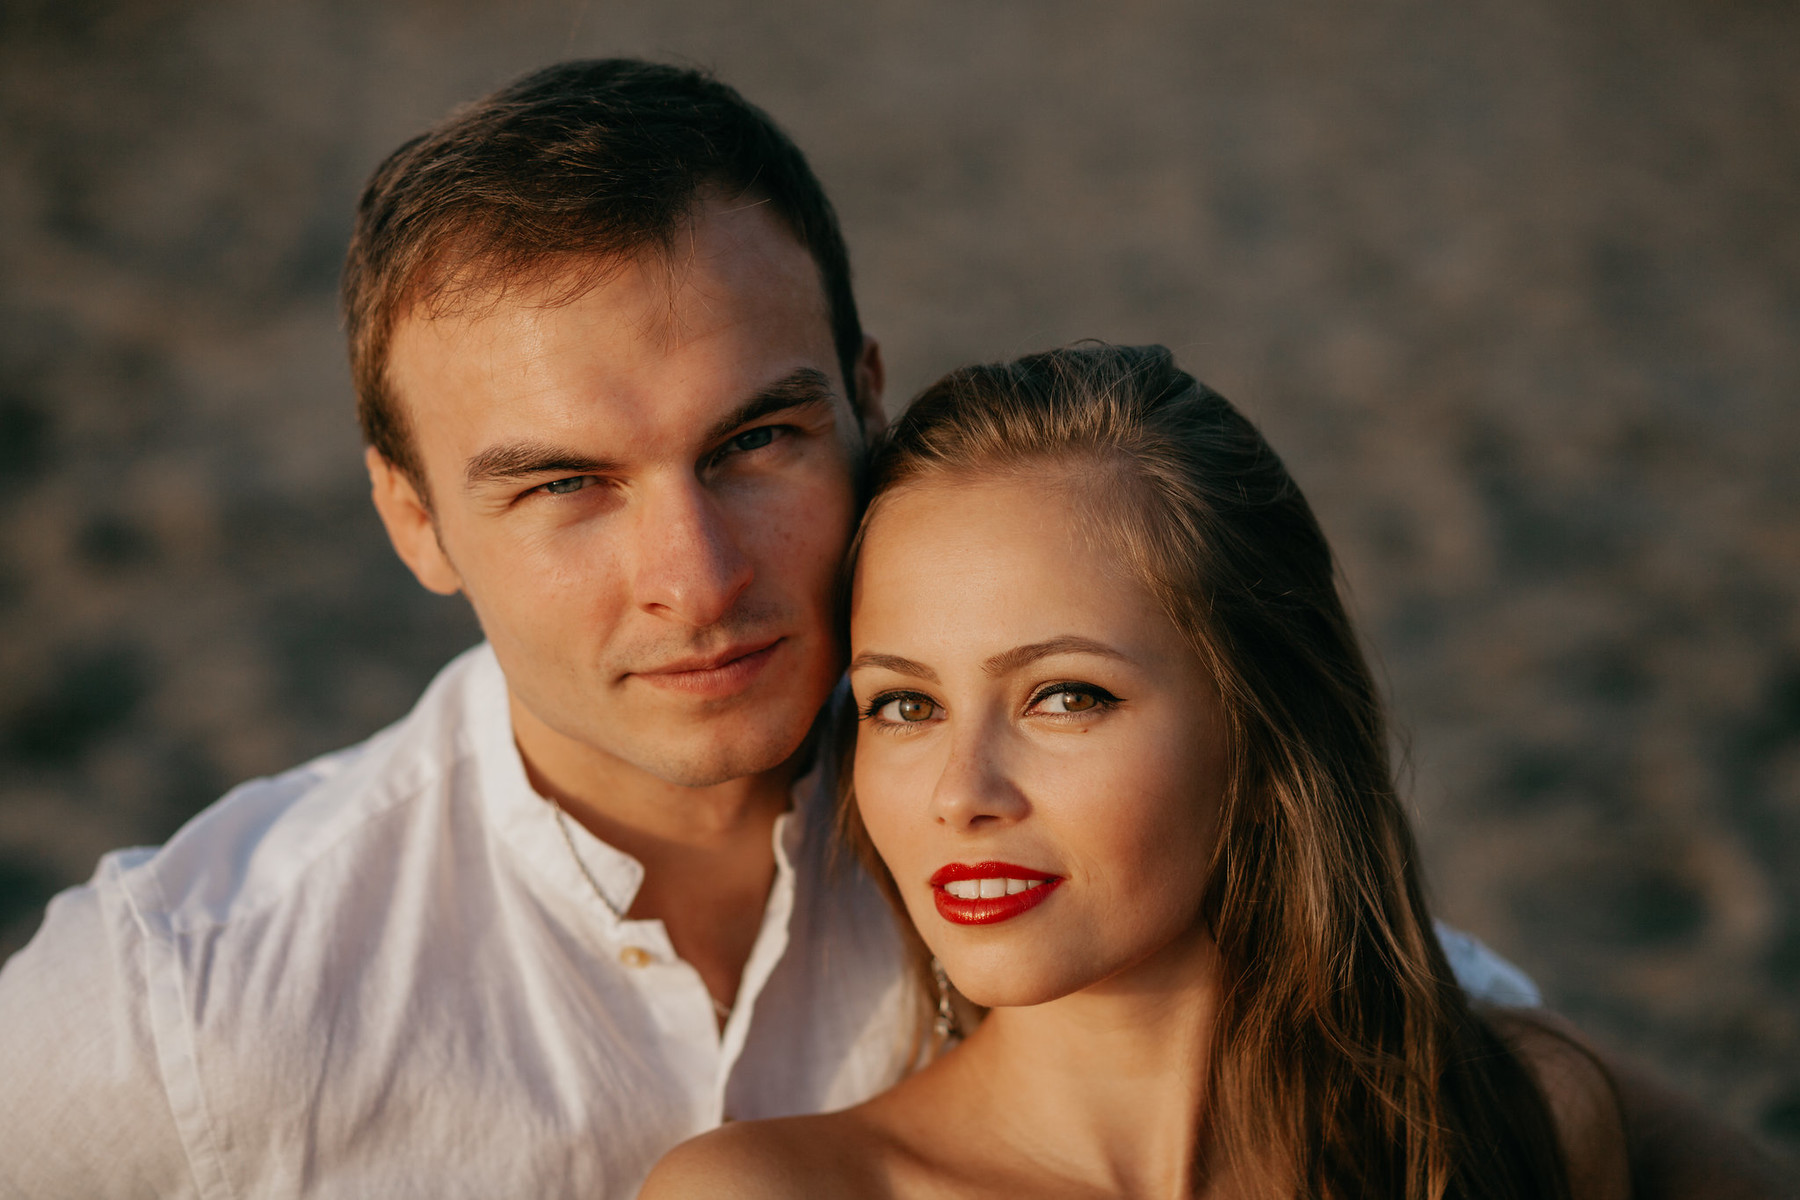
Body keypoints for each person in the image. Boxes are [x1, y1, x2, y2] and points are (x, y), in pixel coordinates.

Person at [0, 61, 1784, 1200]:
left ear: (862, 394)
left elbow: (1407, 1023)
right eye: (564, 485)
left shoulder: (1008, 809)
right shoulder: (189, 992)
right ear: (414, 518)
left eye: (755, 442)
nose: (695, 575)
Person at [641, 345, 1782, 1199]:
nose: (959, 791)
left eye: (1064, 695)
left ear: (1259, 723)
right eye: (904, 704)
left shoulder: (1510, 1124)